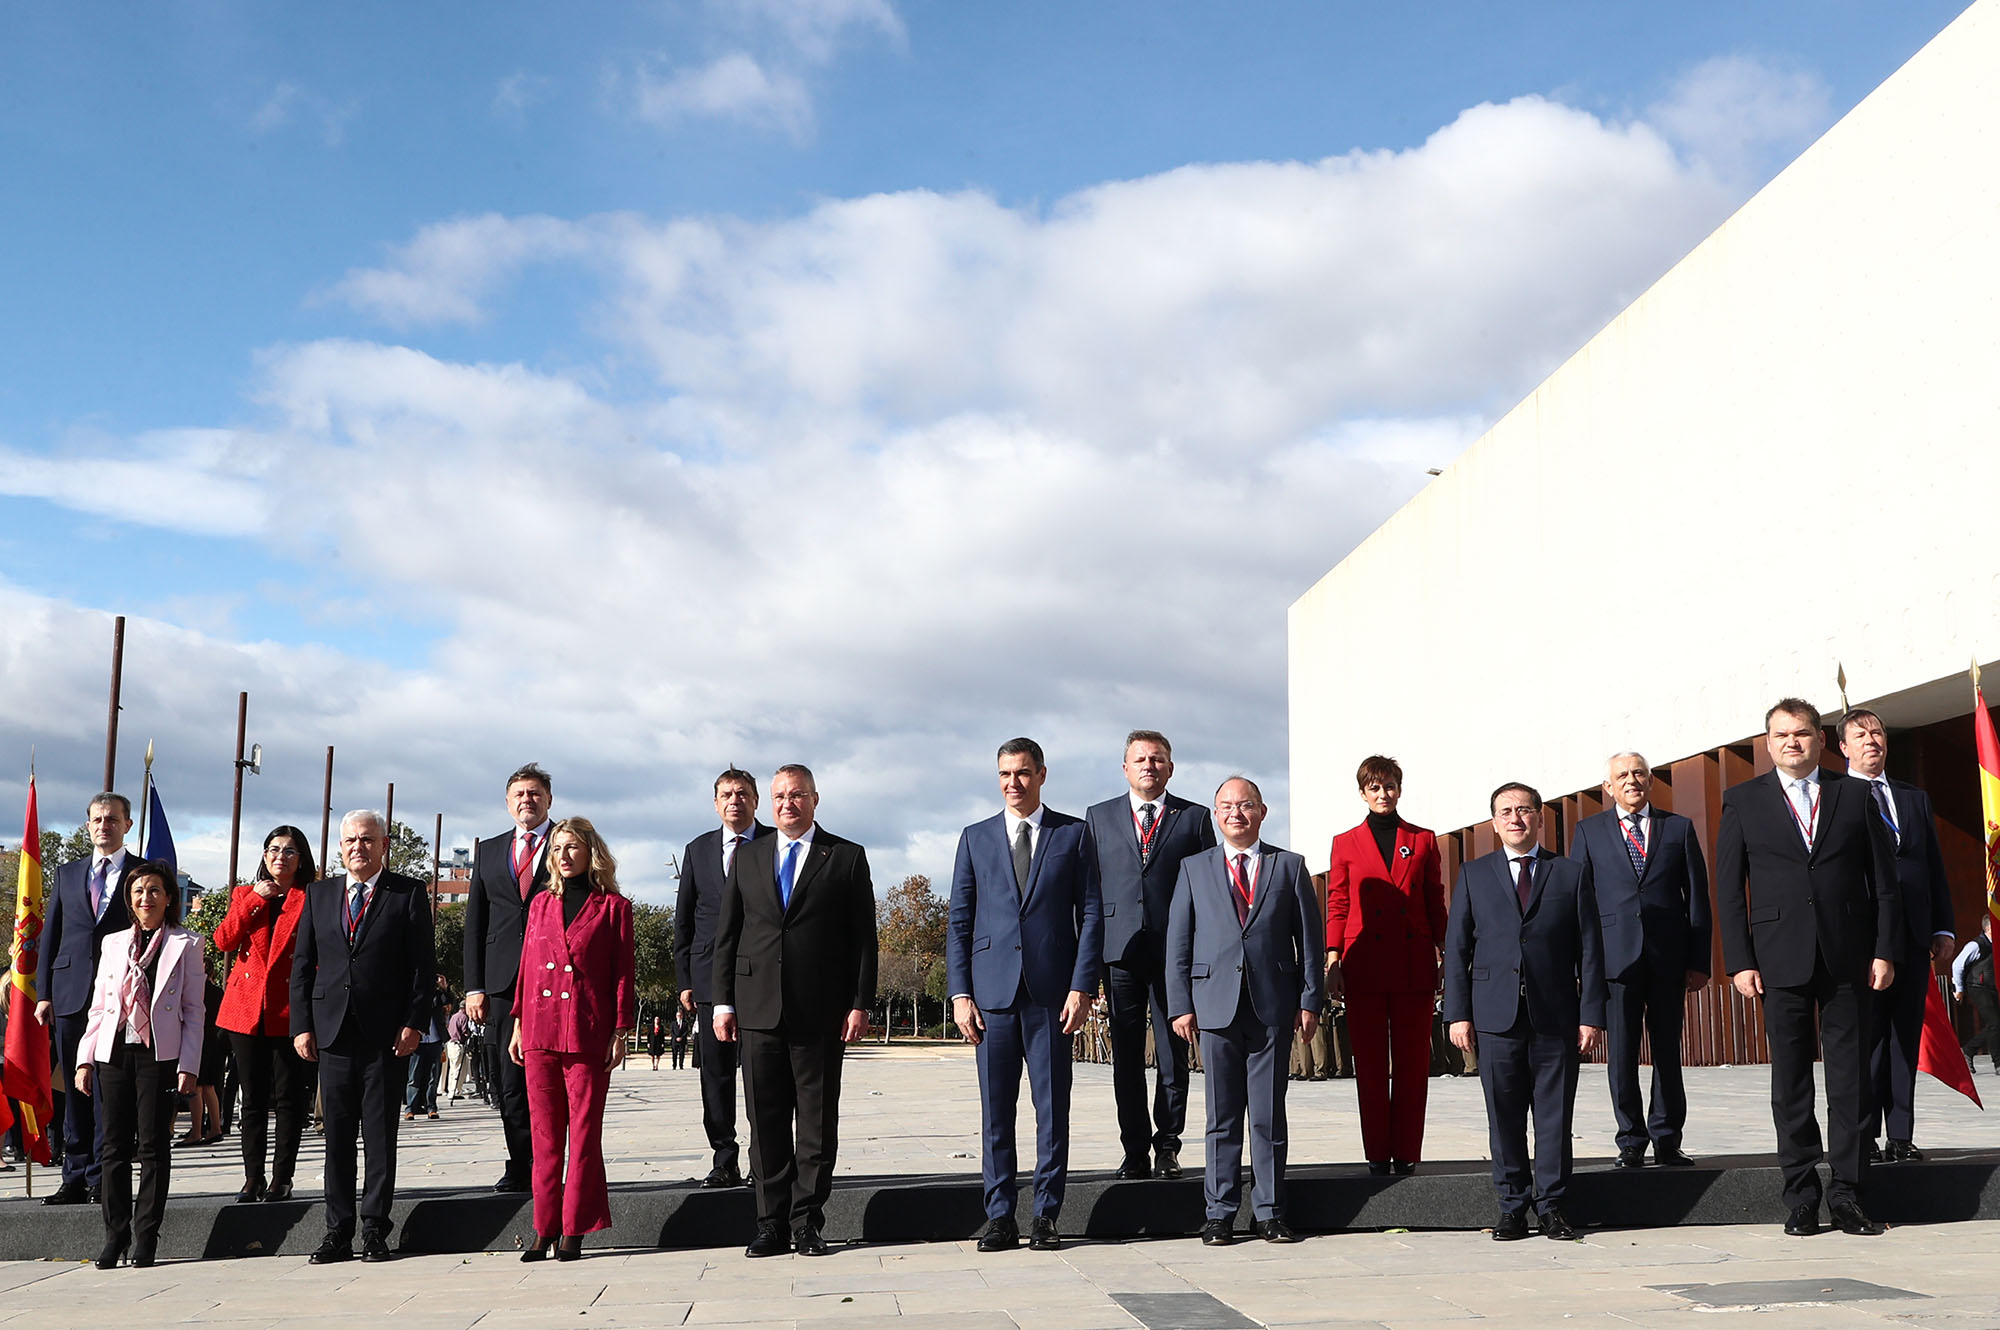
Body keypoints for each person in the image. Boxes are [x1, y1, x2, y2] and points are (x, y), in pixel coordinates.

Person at [1716, 698, 1902, 1237]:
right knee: (1790, 1080)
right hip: (1778, 958)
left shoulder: (1855, 793)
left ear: (1821, 739)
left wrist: (1885, 950)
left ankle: (1848, 1193)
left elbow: (1884, 883)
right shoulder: (1742, 800)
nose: (1791, 743)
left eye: (1801, 734)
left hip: (1849, 957)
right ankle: (1800, 1194)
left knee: (1851, 1082)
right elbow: (1729, 889)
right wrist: (1739, 962)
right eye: (1780, 736)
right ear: (1767, 743)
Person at [713, 764, 877, 1258]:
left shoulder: (846, 857)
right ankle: (770, 1223)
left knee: (816, 1122)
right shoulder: (747, 857)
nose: (789, 803)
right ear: (771, 802)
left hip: (821, 1013)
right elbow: (727, 936)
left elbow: (863, 940)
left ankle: (807, 1222)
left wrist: (860, 1003)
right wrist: (723, 1001)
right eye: (781, 795)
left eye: (798, 795)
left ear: (815, 799)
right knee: (764, 1123)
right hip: (757, 1010)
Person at [948, 738, 1104, 1254]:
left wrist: (1083, 986)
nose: (1013, 783)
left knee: (1051, 1110)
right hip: (990, 997)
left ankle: (1045, 1214)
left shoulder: (1074, 836)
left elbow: (1092, 915)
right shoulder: (974, 838)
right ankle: (999, 1217)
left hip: (1052, 996)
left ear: (1041, 775)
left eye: (1022, 773)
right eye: (1004, 774)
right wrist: (959, 993)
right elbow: (959, 921)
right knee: (996, 1112)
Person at [1443, 783, 1606, 1242]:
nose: (1515, 818)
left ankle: (1552, 1206)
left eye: (1524, 810)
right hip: (1494, 1018)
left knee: (1555, 1117)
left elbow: (1591, 950)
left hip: (1556, 1016)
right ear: (1494, 823)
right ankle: (1512, 1205)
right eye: (1505, 812)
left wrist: (1591, 1014)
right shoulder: (1474, 874)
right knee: (1505, 1115)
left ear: (1540, 818)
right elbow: (1458, 950)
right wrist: (1458, 1014)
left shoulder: (1570, 873)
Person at [1167, 777, 1324, 1245]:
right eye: (1227, 806)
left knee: (1268, 1116)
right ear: (1216, 815)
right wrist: (1180, 1005)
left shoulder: (1289, 866)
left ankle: (1270, 1211)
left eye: (1246, 805)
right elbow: (1178, 942)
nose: (1236, 813)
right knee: (1221, 1115)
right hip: (1213, 1008)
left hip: (1273, 1006)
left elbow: (1310, 944)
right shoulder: (1194, 869)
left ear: (1262, 811)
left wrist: (1309, 999)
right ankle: (1219, 1212)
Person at [291, 809, 437, 1264]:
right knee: (335, 1137)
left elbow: (423, 970)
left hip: (385, 1037)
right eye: (351, 840)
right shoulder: (318, 894)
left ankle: (375, 1228)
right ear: (340, 847)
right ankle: (338, 1230)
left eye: (368, 840)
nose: (359, 847)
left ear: (383, 844)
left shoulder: (407, 893)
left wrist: (414, 1023)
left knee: (379, 1136)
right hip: (332, 1033)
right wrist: (302, 1025)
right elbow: (302, 967)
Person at [1566, 752, 1710, 1168]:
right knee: (1622, 1053)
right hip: (1615, 962)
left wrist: (1698, 960)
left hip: (1668, 958)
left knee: (1667, 1050)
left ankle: (1667, 1137)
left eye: (1638, 773)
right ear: (1608, 787)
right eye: (1621, 776)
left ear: (1650, 781)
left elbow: (1697, 899)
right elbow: (1579, 902)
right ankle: (1630, 1139)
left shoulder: (1677, 828)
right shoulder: (1589, 832)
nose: (1631, 780)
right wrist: (1582, 966)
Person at [1085, 730, 1214, 1180]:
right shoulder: (1098, 817)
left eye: (1157, 759)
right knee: (1125, 1056)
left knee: (1174, 1054)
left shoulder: (1194, 818)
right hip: (1118, 952)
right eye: (1139, 759)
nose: (1148, 766)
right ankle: (1135, 1149)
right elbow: (1090, 889)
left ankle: (1168, 1145)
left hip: (1174, 954)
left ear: (1170, 768)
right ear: (1125, 767)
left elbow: (1208, 889)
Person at [510, 817, 636, 1262]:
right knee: (544, 1135)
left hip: (587, 1028)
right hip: (540, 1029)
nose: (563, 856)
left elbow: (623, 974)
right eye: (558, 848)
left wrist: (620, 1031)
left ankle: (574, 1229)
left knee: (583, 1133)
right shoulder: (541, 903)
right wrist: (518, 1022)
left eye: (573, 848)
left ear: (591, 853)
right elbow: (528, 966)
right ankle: (543, 1227)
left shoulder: (614, 907)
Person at [73, 860, 205, 1268]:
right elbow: (99, 1005)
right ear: (129, 901)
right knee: (112, 1146)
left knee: (153, 1145)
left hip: (158, 1054)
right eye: (138, 892)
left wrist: (189, 1063)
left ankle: (147, 1235)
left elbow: (194, 1009)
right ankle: (115, 1236)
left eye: (154, 891)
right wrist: (84, 1060)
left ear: (169, 898)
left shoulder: (187, 943)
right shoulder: (113, 943)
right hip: (113, 1052)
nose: (145, 898)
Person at [1839, 709, 1956, 1162]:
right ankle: (1863, 1136)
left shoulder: (1912, 798)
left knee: (1904, 1037)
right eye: (1860, 735)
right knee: (1867, 1040)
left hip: (1912, 936)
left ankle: (1901, 1135)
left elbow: (1932, 865)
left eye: (1878, 732)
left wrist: (1942, 925)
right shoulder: (1836, 797)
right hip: (1863, 940)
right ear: (1844, 747)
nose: (1872, 740)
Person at [1324, 755, 1446, 1176]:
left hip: (1413, 964)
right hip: (1364, 964)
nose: (1383, 794)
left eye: (1389, 785)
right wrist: (1333, 957)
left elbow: (1435, 901)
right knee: (1371, 1066)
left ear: (1399, 788)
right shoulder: (1345, 843)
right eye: (1374, 787)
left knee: (1413, 1066)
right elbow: (1338, 901)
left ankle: (1407, 1151)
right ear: (1362, 792)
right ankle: (1377, 1153)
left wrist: (1445, 952)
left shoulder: (1424, 839)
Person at [34, 792, 140, 1206]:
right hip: (70, 995)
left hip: (118, 999)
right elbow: (50, 937)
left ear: (127, 824)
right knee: (72, 1091)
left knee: (106, 1090)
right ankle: (73, 1175)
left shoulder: (141, 873)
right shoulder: (68, 873)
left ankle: (102, 1176)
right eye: (97, 819)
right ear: (87, 824)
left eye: (112, 819)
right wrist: (44, 994)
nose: (103, 825)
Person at [673, 768, 773, 1188]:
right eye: (726, 794)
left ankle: (763, 1161)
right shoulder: (697, 850)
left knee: (761, 1076)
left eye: (743, 794)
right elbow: (684, 921)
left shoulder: (774, 844)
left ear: (755, 801)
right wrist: (683, 980)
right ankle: (724, 1158)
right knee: (714, 1075)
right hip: (710, 978)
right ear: (716, 803)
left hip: (763, 977)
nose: (735, 800)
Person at [464, 764, 554, 1195]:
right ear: (507, 802)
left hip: (553, 979)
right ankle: (521, 1163)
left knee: (551, 1078)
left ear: (548, 800)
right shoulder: (489, 851)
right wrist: (474, 987)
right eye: (519, 794)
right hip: (500, 984)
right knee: (509, 1080)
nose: (527, 800)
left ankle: (554, 1164)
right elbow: (474, 925)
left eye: (535, 793)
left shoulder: (567, 845)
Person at [1953, 914, 1998, 1073]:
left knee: (1995, 1024)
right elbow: (1957, 965)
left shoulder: (1997, 944)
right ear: (1989, 928)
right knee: (1995, 1023)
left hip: (1992, 987)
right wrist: (1959, 989)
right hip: (1977, 986)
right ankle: (1998, 1063)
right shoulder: (1976, 945)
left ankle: (1969, 1050)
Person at [405, 975, 452, 1121]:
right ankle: (410, 1108)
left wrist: (444, 987)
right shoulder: (414, 996)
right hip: (418, 1041)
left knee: (433, 1077)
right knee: (414, 1077)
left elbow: (449, 1001)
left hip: (434, 1040)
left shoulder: (436, 996)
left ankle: (431, 1107)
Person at [443, 1002, 472, 1103]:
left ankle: (452, 1090)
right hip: (458, 1044)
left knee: (452, 1068)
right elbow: (464, 1031)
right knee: (459, 1069)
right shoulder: (463, 1017)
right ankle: (455, 1091)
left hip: (450, 1044)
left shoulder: (454, 1016)